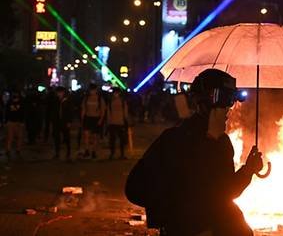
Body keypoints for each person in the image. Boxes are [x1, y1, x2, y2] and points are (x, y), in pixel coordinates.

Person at [125, 69, 263, 236]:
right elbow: (135, 189)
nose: (229, 107)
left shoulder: (222, 144)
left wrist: (247, 171)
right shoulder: (174, 141)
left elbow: (225, 193)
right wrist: (179, 219)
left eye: (231, 100)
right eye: (223, 99)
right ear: (206, 101)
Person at [81, 84, 105, 159]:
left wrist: (101, 120)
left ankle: (94, 151)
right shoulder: (86, 98)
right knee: (86, 136)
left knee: (95, 136)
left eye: (94, 90)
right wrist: (82, 119)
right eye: (91, 90)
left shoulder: (99, 99)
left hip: (96, 118)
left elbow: (103, 110)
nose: (92, 92)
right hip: (88, 118)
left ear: (96, 90)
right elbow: (83, 109)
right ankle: (87, 150)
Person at [51, 86, 73, 161]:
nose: (59, 94)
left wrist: (69, 121)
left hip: (65, 121)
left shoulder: (67, 100)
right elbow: (53, 111)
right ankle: (57, 153)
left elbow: (70, 111)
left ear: (63, 92)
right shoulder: (55, 100)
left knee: (67, 137)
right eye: (58, 92)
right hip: (57, 121)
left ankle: (68, 153)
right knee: (57, 138)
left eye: (60, 92)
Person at [107, 87, 128, 159]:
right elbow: (108, 112)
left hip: (120, 122)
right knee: (112, 140)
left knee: (121, 140)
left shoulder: (122, 101)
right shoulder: (110, 101)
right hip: (113, 122)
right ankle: (113, 153)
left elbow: (125, 112)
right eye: (114, 93)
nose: (115, 94)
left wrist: (126, 120)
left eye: (116, 92)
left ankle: (121, 154)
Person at [4, 91, 25, 161]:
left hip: (18, 122)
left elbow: (23, 113)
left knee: (19, 137)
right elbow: (6, 112)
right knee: (10, 137)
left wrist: (22, 122)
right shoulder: (9, 103)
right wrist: (6, 121)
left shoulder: (21, 103)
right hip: (11, 122)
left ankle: (18, 150)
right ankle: (8, 150)